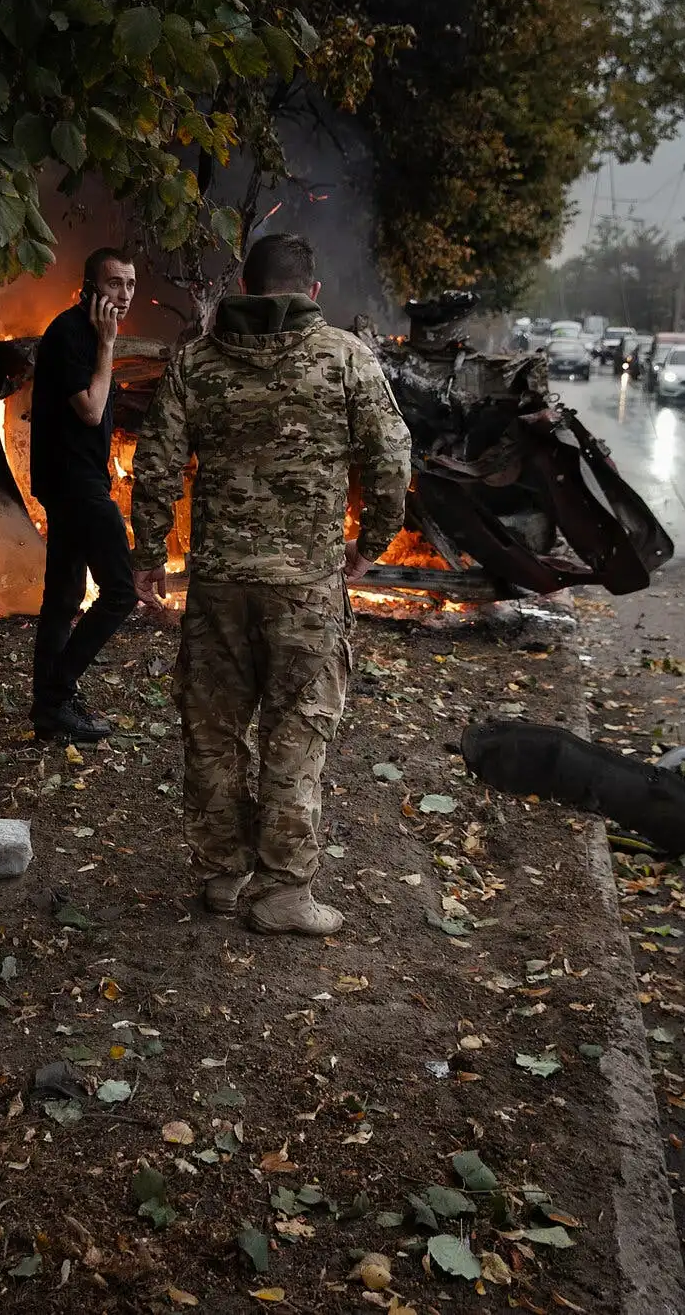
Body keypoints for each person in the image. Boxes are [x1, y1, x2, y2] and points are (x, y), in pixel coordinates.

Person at [130, 233, 411, 937]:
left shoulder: (194, 362)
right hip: (307, 590)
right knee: (297, 733)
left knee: (213, 732)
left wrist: (147, 556)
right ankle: (284, 888)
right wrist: (369, 546)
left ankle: (225, 875)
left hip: (220, 585)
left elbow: (156, 466)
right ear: (310, 292)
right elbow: (390, 462)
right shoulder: (347, 359)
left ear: (244, 285)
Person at [27, 247, 143, 742]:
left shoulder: (87, 333)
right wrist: (109, 346)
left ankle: (50, 710)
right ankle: (55, 697)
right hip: (72, 484)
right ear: (89, 287)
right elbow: (92, 411)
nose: (124, 294)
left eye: (131, 284)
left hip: (78, 480)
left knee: (64, 596)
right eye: (114, 283)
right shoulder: (71, 334)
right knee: (120, 592)